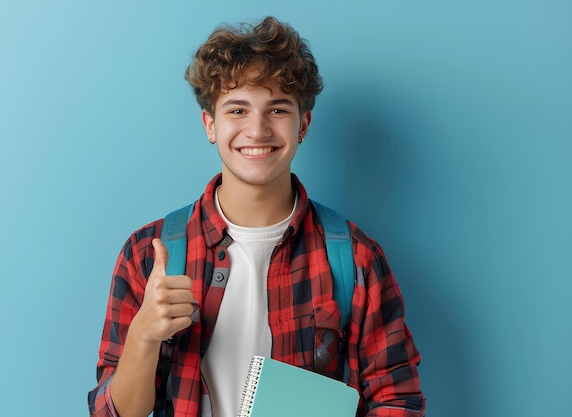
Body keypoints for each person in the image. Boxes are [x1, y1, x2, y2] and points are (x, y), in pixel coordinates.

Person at [88, 16, 426, 417]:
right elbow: (113, 413)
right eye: (237, 109)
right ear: (210, 124)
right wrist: (144, 336)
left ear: (303, 124)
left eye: (278, 109)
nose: (258, 129)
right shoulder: (148, 254)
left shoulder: (356, 261)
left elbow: (397, 399)